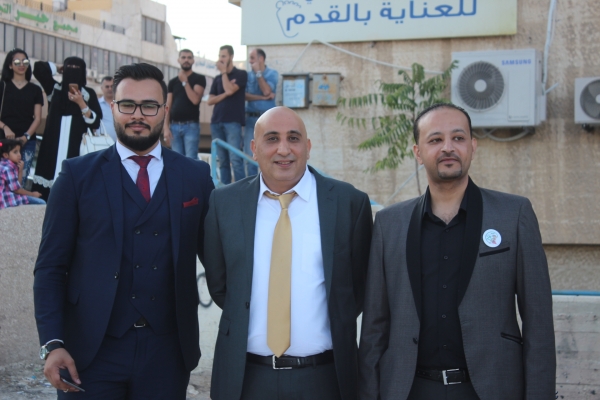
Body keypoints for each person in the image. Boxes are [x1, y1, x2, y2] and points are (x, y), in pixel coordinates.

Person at [33, 63, 214, 399]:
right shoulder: (75, 176)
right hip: (89, 354)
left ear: (164, 110)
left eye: (149, 106)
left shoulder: (196, 177)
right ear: (112, 106)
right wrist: (52, 343)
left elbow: (218, 260)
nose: (138, 115)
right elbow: (50, 268)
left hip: (168, 354)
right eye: (128, 104)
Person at [358, 103, 556, 400]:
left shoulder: (514, 215)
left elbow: (538, 321)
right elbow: (375, 326)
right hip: (409, 389)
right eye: (435, 139)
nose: (448, 147)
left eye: (458, 138)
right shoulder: (389, 224)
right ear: (418, 152)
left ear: (472, 146)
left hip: (491, 388)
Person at [204, 106, 373, 400]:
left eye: (293, 138)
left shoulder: (349, 203)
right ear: (254, 148)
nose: (284, 149)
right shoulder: (224, 204)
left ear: (307, 147)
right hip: (246, 379)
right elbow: (221, 287)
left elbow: (357, 291)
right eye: (272, 139)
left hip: (324, 379)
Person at [31, 57, 102, 200]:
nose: (73, 71)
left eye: (77, 68)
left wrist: (81, 103)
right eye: (69, 67)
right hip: (52, 145)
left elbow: (95, 123)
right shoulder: (54, 89)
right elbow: (38, 68)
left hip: (76, 147)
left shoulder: (88, 93)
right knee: (47, 190)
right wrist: (58, 68)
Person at [0, 48, 43, 185]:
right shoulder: (2, 86)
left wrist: (25, 137)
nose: (21, 65)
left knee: (20, 182)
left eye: (25, 61)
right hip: (4, 140)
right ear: (10, 65)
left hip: (27, 142)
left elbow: (37, 118)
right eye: (17, 62)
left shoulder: (35, 89)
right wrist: (5, 127)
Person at [207, 45, 247, 184]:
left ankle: (242, 189)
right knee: (222, 160)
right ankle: (225, 190)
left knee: (235, 158)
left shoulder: (241, 74)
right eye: (219, 56)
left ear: (231, 56)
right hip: (216, 122)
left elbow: (230, 90)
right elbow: (210, 100)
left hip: (233, 122)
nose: (221, 59)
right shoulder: (217, 78)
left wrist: (224, 73)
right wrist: (225, 94)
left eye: (223, 56)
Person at [163, 49, 206, 159]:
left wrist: (184, 82)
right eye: (183, 57)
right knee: (177, 160)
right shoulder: (173, 82)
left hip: (191, 126)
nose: (186, 60)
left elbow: (195, 100)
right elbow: (168, 105)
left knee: (190, 160)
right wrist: (166, 127)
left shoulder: (199, 78)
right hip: (174, 126)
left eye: (189, 57)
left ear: (193, 61)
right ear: (178, 60)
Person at [244, 48, 278, 177]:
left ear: (261, 59)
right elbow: (244, 96)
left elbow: (267, 91)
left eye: (252, 58)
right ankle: (252, 184)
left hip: (268, 120)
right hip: (250, 119)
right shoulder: (247, 76)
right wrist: (263, 98)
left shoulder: (272, 74)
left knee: (270, 153)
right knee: (250, 155)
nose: (250, 61)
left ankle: (270, 182)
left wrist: (258, 73)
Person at [0, 139, 45, 209]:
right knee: (42, 203)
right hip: (5, 199)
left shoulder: (8, 165)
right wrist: (32, 194)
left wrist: (20, 170)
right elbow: (17, 190)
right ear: (5, 155)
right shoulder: (7, 168)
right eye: (15, 152)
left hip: (9, 196)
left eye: (19, 151)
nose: (19, 155)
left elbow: (18, 185)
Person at [98, 76, 117, 142]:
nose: (110, 89)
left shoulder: (120, 104)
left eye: (112, 86)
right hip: (102, 143)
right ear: (102, 88)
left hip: (120, 143)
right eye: (107, 87)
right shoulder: (97, 105)